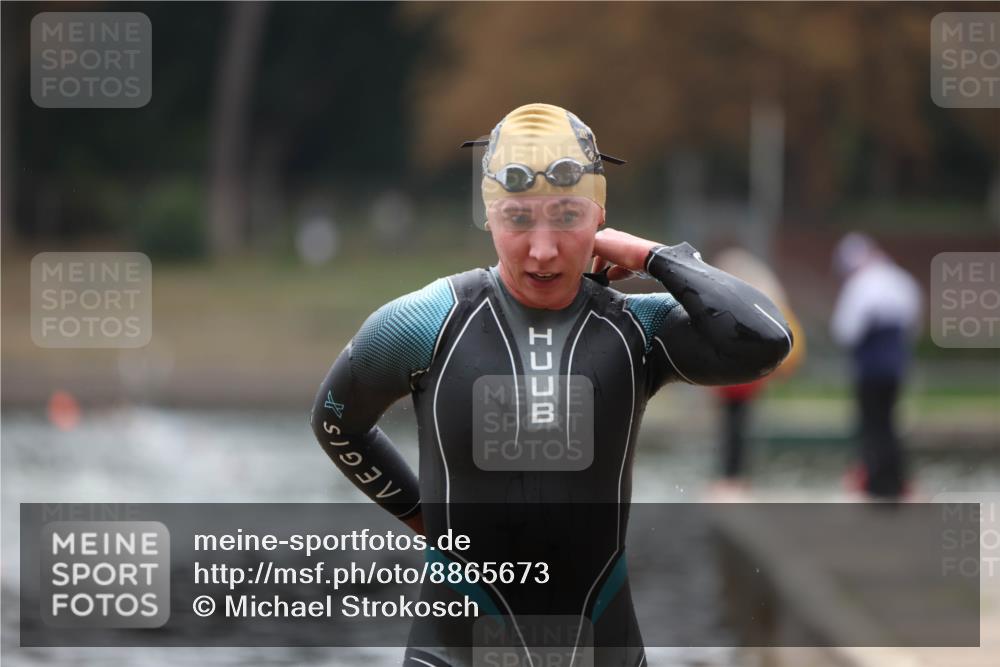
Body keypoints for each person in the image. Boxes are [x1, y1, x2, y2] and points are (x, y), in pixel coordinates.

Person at [310, 103, 793, 667]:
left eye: (567, 217)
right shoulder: (424, 322)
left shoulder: (637, 328)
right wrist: (422, 514)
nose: (542, 249)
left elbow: (766, 341)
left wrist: (656, 258)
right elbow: (335, 422)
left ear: (600, 217)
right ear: (488, 217)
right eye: (518, 218)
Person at [707, 248, 806, 497]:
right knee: (735, 427)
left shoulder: (744, 296)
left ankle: (731, 480)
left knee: (734, 429)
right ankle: (733, 478)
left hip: (738, 377)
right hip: (743, 376)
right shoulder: (757, 293)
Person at [831, 232, 922, 500]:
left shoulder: (861, 284)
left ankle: (877, 483)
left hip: (870, 367)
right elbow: (913, 323)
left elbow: (845, 330)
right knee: (889, 422)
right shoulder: (900, 280)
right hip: (895, 366)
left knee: (872, 424)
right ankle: (895, 481)